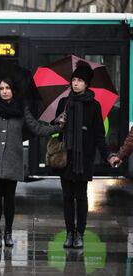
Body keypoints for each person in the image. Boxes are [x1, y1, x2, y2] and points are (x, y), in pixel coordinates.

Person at [0, 78, 61, 248]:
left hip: (12, 160)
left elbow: (37, 128)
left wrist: (58, 127)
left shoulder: (21, 108)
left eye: (8, 88)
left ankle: (8, 233)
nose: (4, 91)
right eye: (1, 88)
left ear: (13, 90)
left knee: (9, 198)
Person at [53, 61, 114, 249]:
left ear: (87, 84)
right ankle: (69, 233)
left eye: (80, 80)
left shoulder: (94, 106)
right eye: (74, 80)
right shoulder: (64, 103)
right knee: (66, 197)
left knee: (81, 197)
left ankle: (80, 234)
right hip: (66, 158)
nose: (76, 83)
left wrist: (108, 156)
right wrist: (58, 124)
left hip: (83, 160)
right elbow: (54, 131)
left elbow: (98, 136)